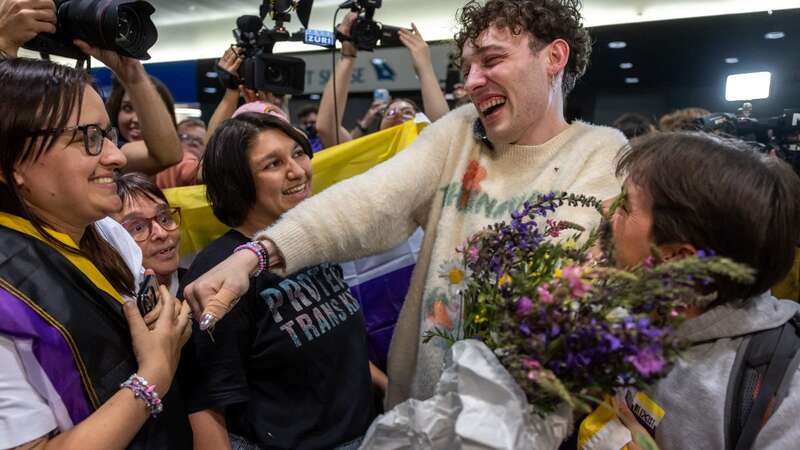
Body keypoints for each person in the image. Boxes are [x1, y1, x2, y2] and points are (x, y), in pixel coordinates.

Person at [184, 0, 627, 408]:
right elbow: (370, 201)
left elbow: (585, 294)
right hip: (421, 415)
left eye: (492, 60)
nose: (472, 81)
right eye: (468, 66)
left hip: (533, 420)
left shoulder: (601, 155)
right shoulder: (458, 133)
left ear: (553, 57)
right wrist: (255, 255)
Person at [0, 56, 192, 449]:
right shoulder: (8, 288)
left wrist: (172, 320)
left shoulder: (107, 232)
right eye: (88, 138)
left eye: (108, 135)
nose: (117, 156)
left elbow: (160, 316)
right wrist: (152, 378)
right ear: (14, 161)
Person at [182, 112, 375, 450]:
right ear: (237, 183)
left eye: (298, 153)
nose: (297, 171)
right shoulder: (219, 271)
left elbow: (335, 345)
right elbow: (208, 401)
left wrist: (397, 390)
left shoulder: (311, 239)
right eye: (273, 164)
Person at [604, 131, 800, 449]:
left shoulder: (783, 395)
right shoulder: (638, 315)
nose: (605, 208)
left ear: (678, 261)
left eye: (625, 206)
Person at [315, 14, 449, 148]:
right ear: (379, 128)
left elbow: (444, 126)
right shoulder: (367, 154)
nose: (398, 114)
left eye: (407, 112)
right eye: (390, 113)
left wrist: (424, 67)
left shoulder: (430, 150)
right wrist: (347, 57)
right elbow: (326, 128)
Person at [114, 173, 184, 295]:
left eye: (164, 218)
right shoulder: (110, 305)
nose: (162, 233)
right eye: (138, 227)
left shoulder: (201, 282)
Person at [154, 118, 206, 189]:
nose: (193, 142)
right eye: (186, 137)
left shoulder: (159, 163)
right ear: (173, 139)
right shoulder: (185, 160)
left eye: (199, 141)